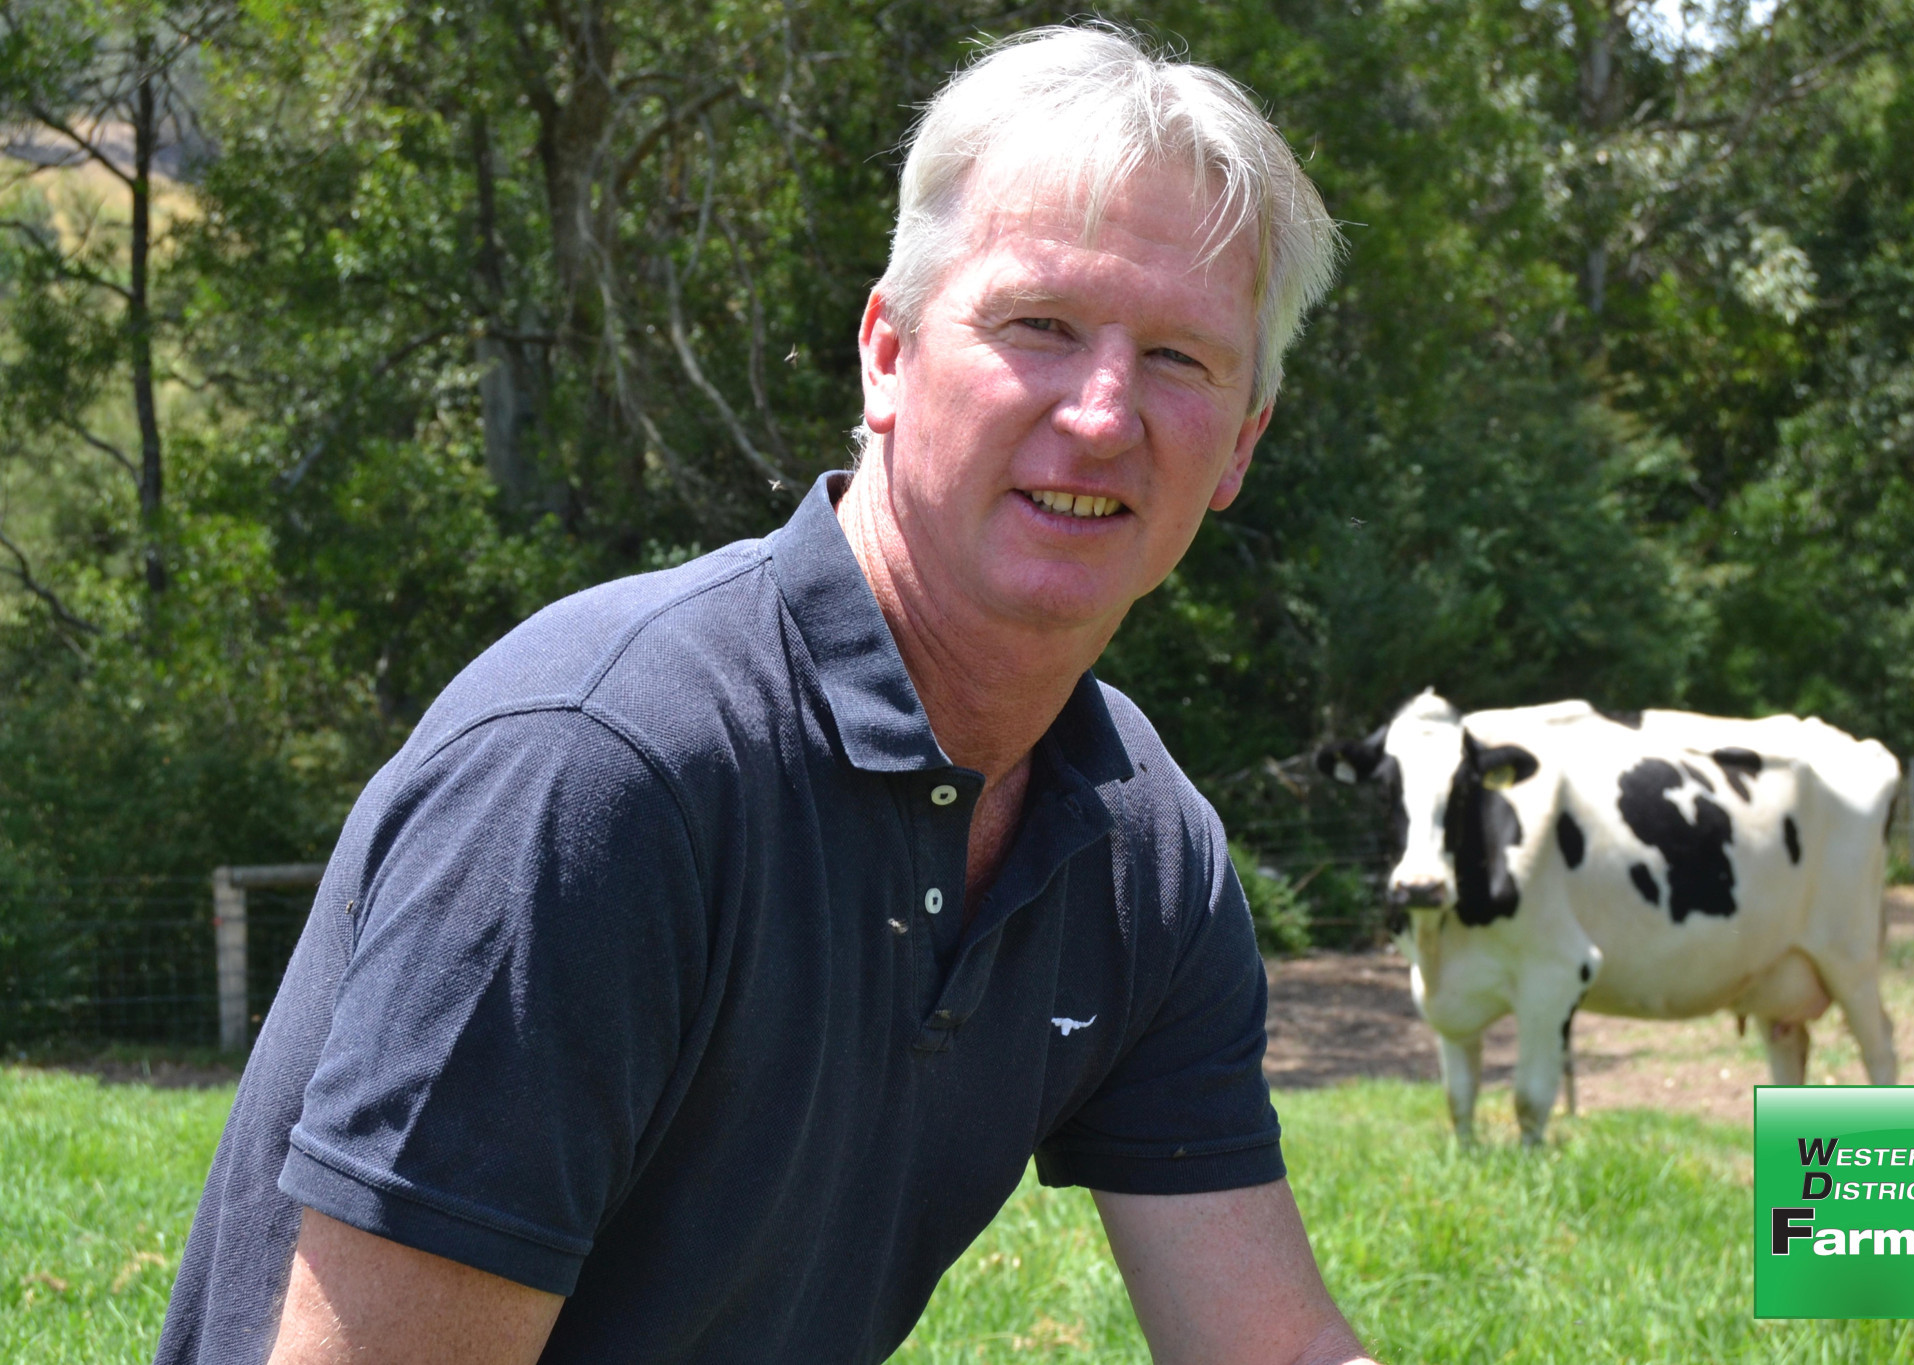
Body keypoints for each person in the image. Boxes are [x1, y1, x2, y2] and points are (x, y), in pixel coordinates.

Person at [156, 24, 1369, 1365]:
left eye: (1179, 360)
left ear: (1241, 444)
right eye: (1040, 324)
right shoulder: (603, 774)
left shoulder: (1132, 840)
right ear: (889, 355)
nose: (1100, 413)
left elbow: (1272, 1348)